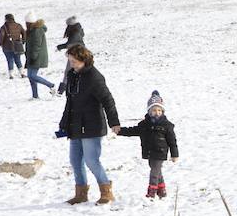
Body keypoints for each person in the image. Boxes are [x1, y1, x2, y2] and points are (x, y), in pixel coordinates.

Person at [58, 44, 120, 205]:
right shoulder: (72, 75)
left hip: (92, 126)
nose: (71, 64)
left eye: (74, 61)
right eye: (70, 61)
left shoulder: (94, 77)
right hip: (75, 126)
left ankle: (106, 192)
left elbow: (108, 100)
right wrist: (64, 123)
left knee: (92, 160)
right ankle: (81, 194)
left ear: (83, 60)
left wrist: (114, 122)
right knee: (75, 161)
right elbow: (70, 102)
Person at [117, 90, 179, 198]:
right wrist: (120, 131)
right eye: (154, 110)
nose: (157, 112)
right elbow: (133, 130)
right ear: (149, 111)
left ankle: (152, 192)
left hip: (160, 152)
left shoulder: (166, 125)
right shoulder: (145, 124)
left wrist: (174, 154)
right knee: (156, 170)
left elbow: (172, 141)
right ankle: (162, 190)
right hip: (150, 151)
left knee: (154, 172)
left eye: (159, 110)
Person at [25, 13, 56, 99]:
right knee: (30, 76)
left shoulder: (37, 31)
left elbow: (36, 45)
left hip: (36, 57)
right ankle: (35, 96)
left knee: (32, 75)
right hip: (31, 56)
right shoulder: (32, 30)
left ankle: (51, 85)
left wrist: (33, 57)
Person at [55, 15, 85, 95]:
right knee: (75, 71)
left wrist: (60, 47)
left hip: (75, 54)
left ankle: (61, 90)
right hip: (79, 53)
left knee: (68, 71)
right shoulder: (78, 30)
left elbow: (70, 44)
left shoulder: (75, 33)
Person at [0, 13, 27, 79]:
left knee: (10, 60)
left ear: (6, 19)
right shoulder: (18, 25)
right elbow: (24, 33)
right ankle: (22, 73)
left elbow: (1, 36)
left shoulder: (3, 27)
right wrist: (23, 41)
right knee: (18, 59)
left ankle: (11, 75)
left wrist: (1, 44)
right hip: (17, 45)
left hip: (7, 46)